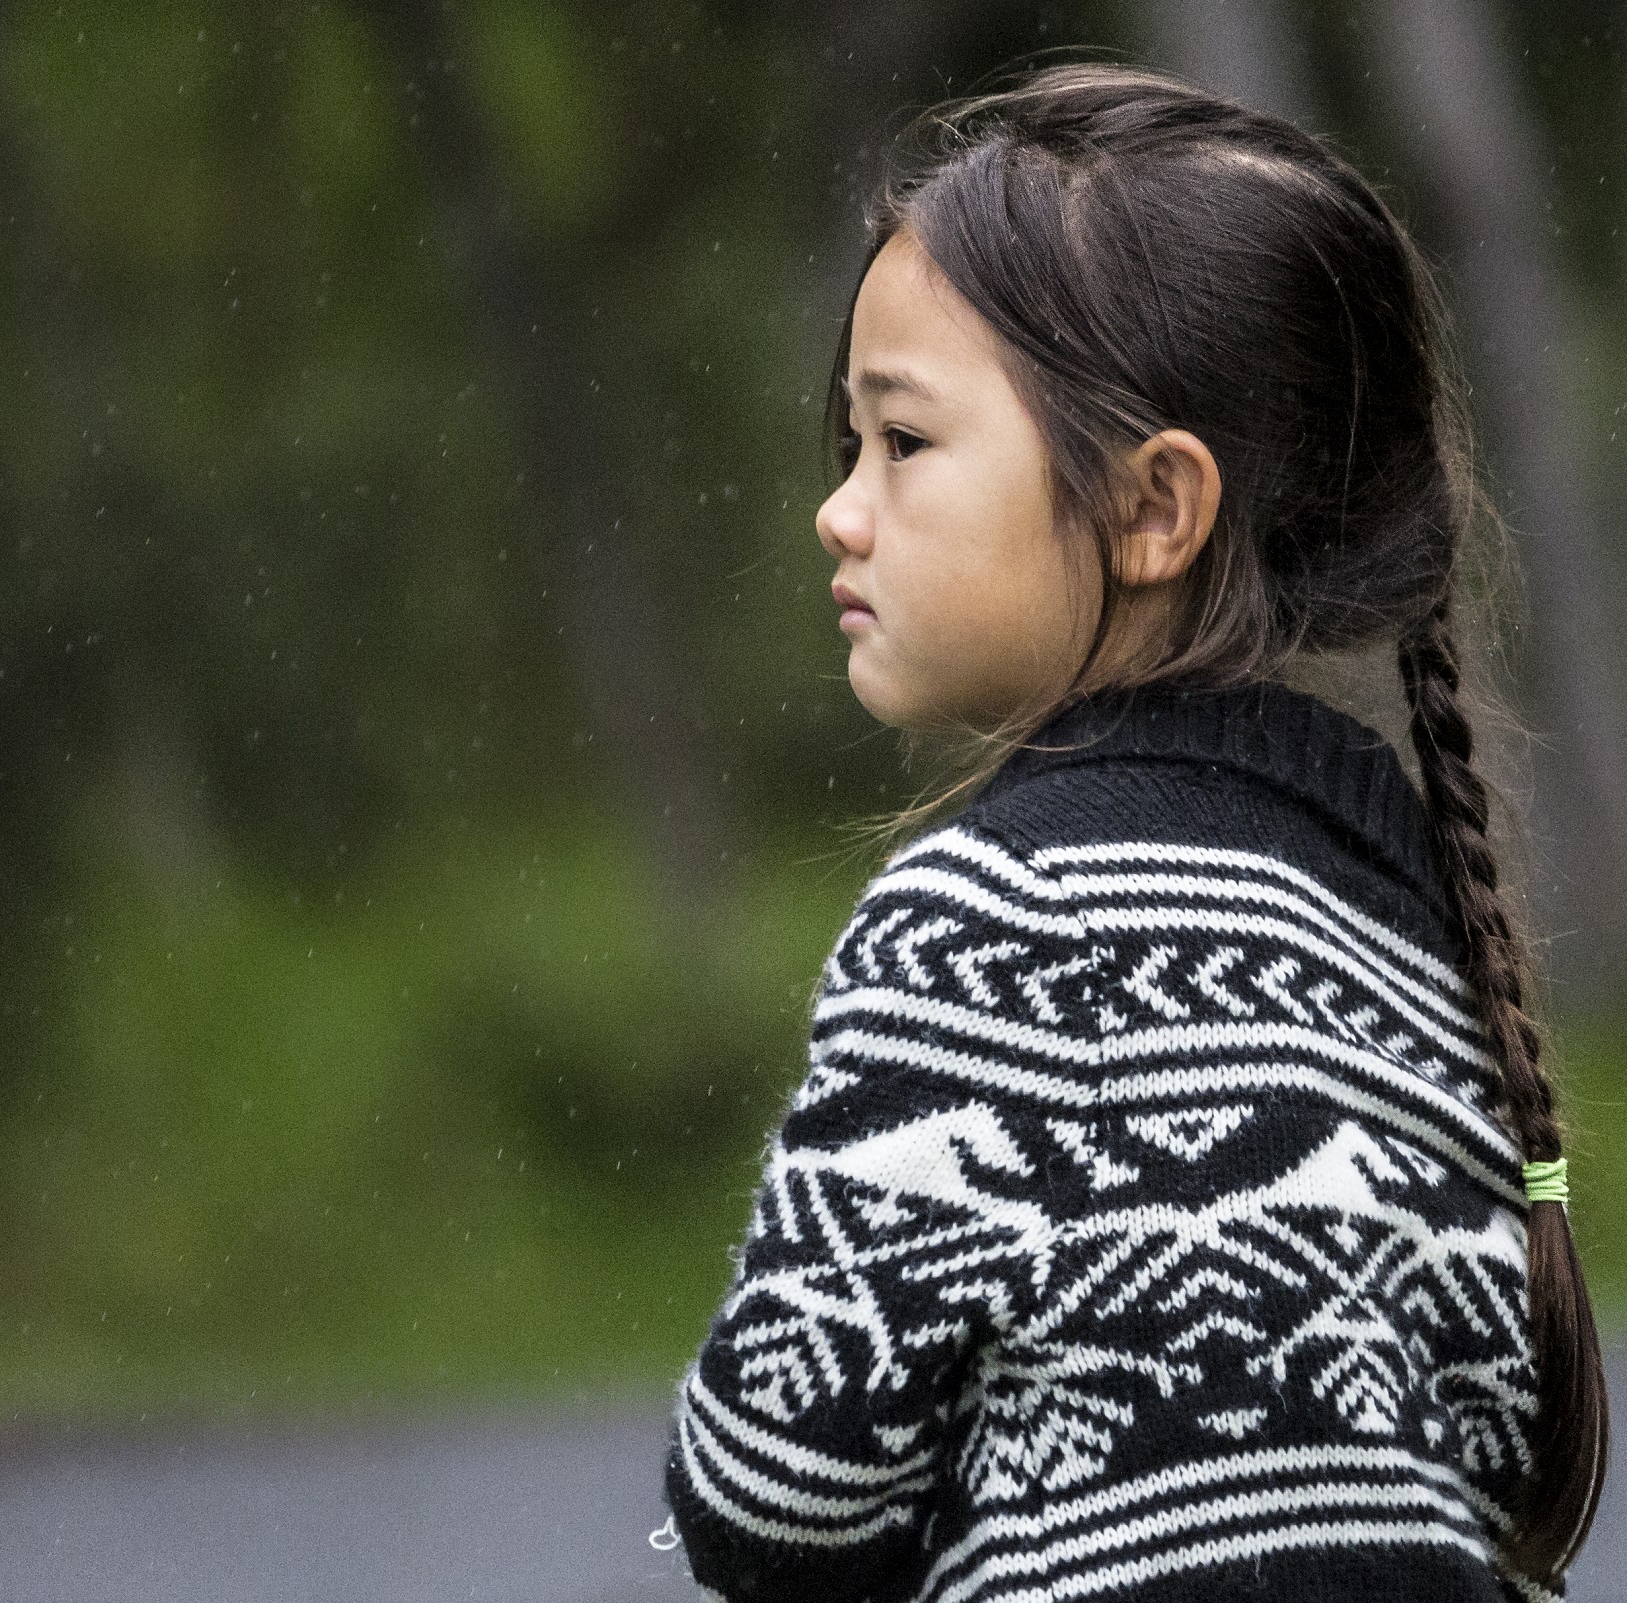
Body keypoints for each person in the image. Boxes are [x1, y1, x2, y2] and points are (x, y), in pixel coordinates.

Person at [657, 61, 1608, 1603]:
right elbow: (1483, 1459)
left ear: (1153, 509)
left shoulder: (994, 926)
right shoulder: (1416, 948)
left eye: (902, 443)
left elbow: (771, 1493)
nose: (842, 510)